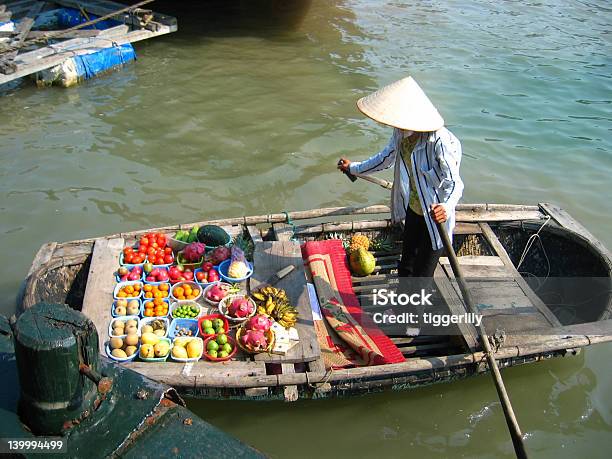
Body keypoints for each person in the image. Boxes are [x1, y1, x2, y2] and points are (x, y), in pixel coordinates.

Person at [338, 76, 463, 278]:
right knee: (406, 267)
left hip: (435, 217)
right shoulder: (401, 132)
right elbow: (385, 158)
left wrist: (445, 208)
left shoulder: (439, 141)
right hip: (414, 210)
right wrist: (353, 168)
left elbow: (454, 183)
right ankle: (400, 310)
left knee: (422, 277)